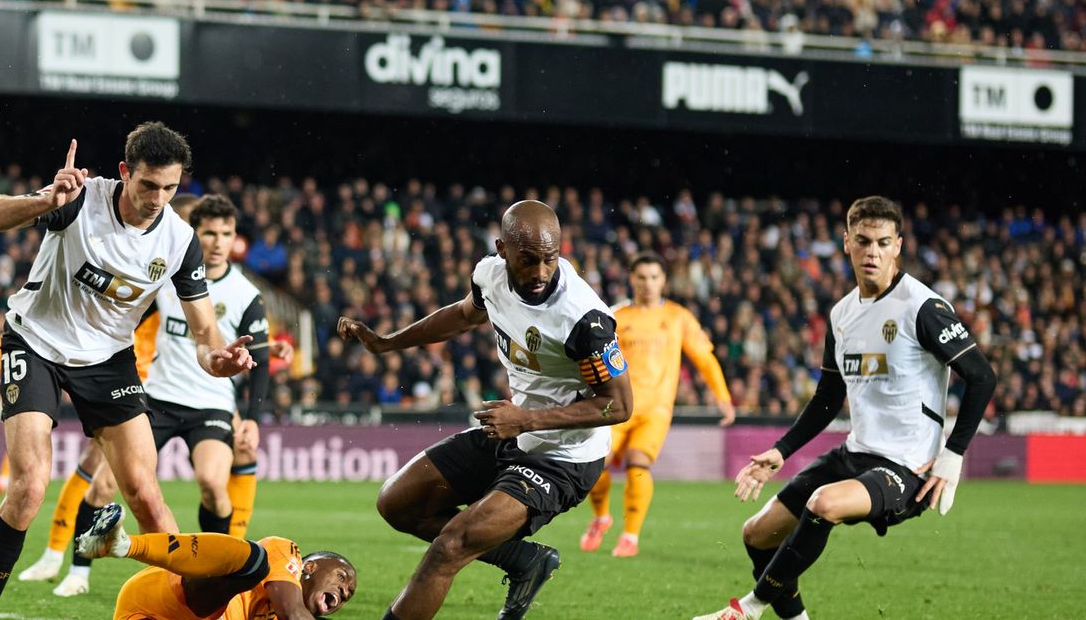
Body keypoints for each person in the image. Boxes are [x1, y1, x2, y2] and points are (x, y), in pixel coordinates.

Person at [0, 123, 256, 619]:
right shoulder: (79, 200)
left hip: (107, 361)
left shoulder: (181, 241)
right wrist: (43, 202)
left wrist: (219, 360)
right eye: (148, 185)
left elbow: (206, 335)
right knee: (31, 485)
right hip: (36, 343)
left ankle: (199, 613)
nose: (158, 198)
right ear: (125, 172)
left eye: (170, 187)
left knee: (145, 493)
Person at [693, 196, 997, 620]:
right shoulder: (842, 314)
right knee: (758, 534)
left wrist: (952, 456)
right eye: (864, 241)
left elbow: (982, 376)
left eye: (883, 242)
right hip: (854, 453)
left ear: (898, 246)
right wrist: (780, 452)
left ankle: (747, 609)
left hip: (907, 466)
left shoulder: (922, 308)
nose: (872, 251)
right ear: (846, 243)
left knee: (823, 504)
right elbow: (828, 399)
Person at [338, 200, 634, 620]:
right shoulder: (488, 275)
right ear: (502, 249)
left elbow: (619, 405)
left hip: (562, 458)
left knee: (450, 547)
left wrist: (526, 419)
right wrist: (388, 342)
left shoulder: (585, 320)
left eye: (550, 260)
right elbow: (461, 317)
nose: (540, 272)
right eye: (528, 260)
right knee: (396, 503)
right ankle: (523, 560)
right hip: (512, 431)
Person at [18, 193, 279, 597]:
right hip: (156, 397)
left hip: (211, 403)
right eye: (208, 232)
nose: (216, 241)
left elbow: (258, 355)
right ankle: (78, 569)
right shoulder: (170, 273)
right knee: (104, 485)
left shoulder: (246, 293)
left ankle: (218, 570)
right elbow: (125, 313)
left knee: (212, 481)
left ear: (234, 239)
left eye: (225, 234)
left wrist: (252, 417)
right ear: (198, 234)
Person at [580, 251, 736, 558]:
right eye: (642, 277)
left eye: (654, 277)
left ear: (663, 280)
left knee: (639, 462)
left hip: (656, 410)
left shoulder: (678, 317)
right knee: (595, 465)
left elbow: (704, 358)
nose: (648, 283)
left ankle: (630, 535)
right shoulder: (617, 317)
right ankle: (601, 517)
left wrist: (723, 397)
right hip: (617, 406)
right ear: (631, 279)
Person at [76, 503, 355, 619]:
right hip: (165, 599)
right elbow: (292, 612)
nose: (344, 592)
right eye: (342, 577)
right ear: (310, 567)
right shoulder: (286, 553)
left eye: (348, 595)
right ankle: (126, 544)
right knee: (254, 561)